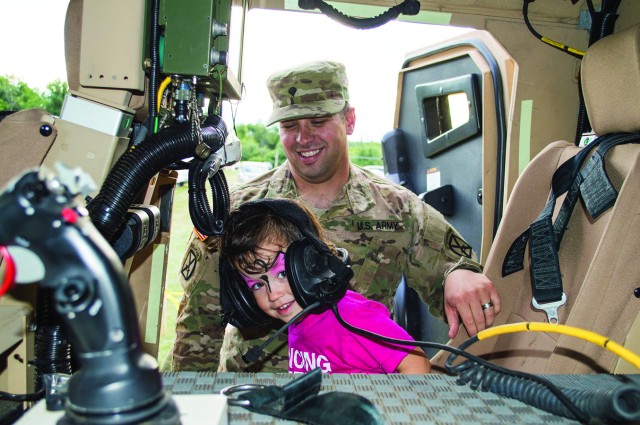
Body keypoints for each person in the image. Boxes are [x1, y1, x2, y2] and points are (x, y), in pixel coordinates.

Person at [169, 60, 500, 372]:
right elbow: (198, 322)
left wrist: (458, 274)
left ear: (349, 120)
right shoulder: (240, 209)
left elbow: (452, 268)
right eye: (289, 125)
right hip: (256, 385)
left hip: (357, 391)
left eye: (317, 122)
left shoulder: (398, 209)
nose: (303, 138)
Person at [218, 199, 431, 374]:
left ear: (310, 263)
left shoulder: (352, 316)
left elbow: (417, 363)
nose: (274, 295)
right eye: (256, 285)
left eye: (282, 273)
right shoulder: (298, 318)